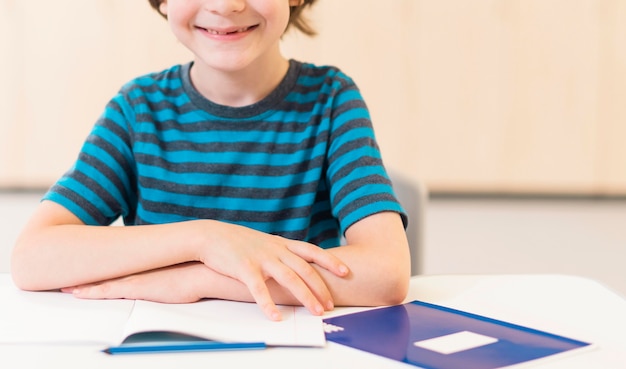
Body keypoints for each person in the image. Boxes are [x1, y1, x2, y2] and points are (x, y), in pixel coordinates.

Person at [11, 0, 411, 321]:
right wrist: (205, 239)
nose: (226, 5)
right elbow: (32, 259)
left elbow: (385, 272)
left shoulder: (330, 100)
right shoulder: (138, 108)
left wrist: (196, 279)